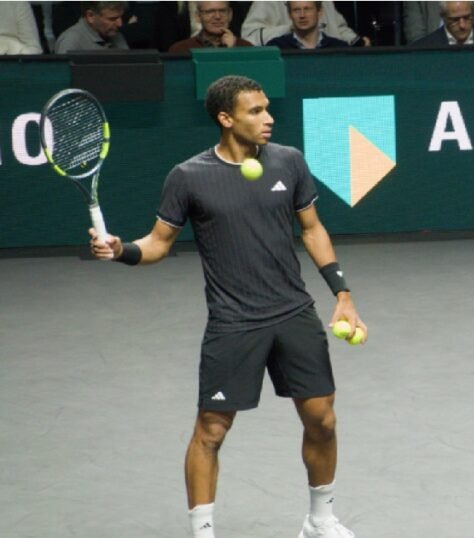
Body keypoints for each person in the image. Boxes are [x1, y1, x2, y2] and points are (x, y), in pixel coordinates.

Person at [89, 75, 368, 538]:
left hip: (293, 312)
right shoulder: (188, 177)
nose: (268, 118)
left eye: (267, 108)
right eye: (255, 111)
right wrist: (121, 250)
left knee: (322, 419)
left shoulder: (289, 162)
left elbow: (313, 229)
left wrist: (342, 293)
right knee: (211, 431)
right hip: (234, 322)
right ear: (225, 118)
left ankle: (320, 520)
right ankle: (203, 532)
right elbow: (158, 244)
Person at [242, 1, 370, 47]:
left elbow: (338, 28)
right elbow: (250, 37)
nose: (302, 14)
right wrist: (291, 28)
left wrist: (356, 42)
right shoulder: (266, 2)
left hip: (326, 52)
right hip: (289, 53)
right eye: (297, 10)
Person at [410, 1, 474, 47]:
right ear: (443, 17)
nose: (462, 25)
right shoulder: (423, 47)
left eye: (467, 17)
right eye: (455, 20)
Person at [169, 1, 253, 53]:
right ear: (198, 16)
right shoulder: (180, 49)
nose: (217, 16)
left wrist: (232, 51)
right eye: (210, 11)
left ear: (230, 14)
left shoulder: (247, 48)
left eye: (222, 11)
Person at [267, 2, 350, 50]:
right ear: (289, 15)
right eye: (296, 10)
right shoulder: (276, 47)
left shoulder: (339, 48)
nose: (302, 15)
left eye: (307, 9)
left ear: (320, 12)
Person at [54, 1, 129, 53]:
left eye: (120, 17)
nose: (120, 24)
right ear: (90, 16)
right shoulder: (71, 41)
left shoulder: (116, 35)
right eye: (112, 19)